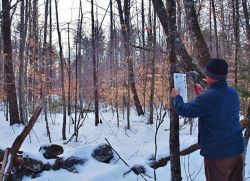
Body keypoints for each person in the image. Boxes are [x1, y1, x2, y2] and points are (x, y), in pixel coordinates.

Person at [171, 58, 244, 181]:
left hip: (218, 155)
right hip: (236, 152)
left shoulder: (208, 97)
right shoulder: (233, 92)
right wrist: (203, 94)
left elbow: (185, 110)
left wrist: (176, 97)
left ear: (209, 76)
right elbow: (218, 108)